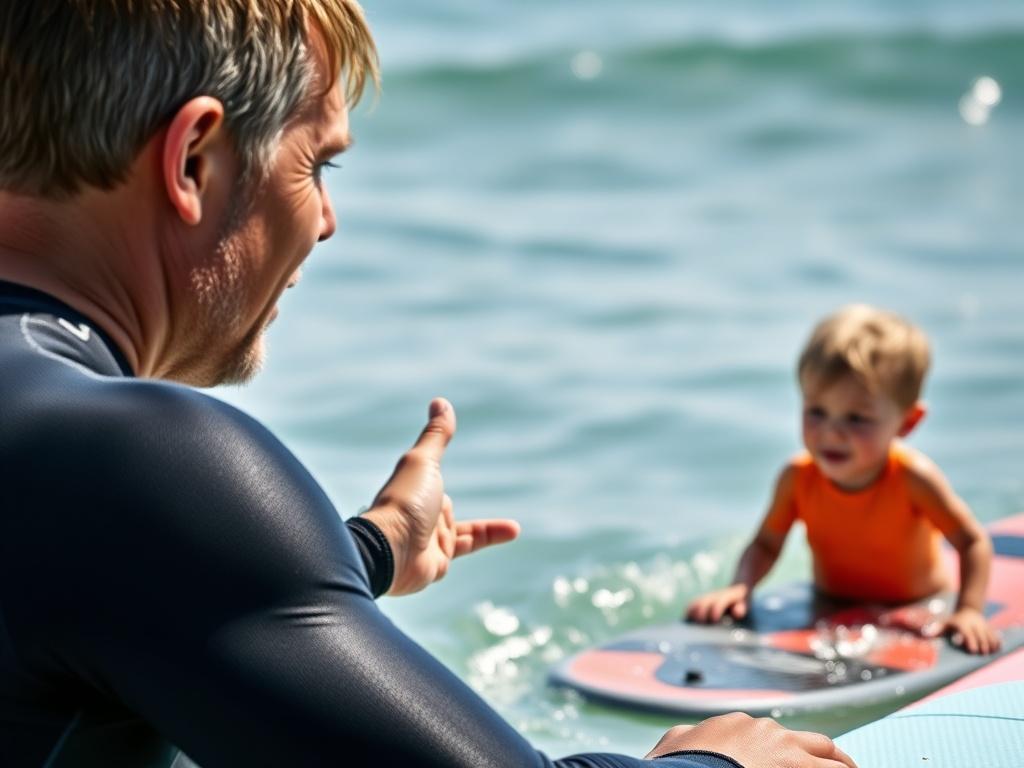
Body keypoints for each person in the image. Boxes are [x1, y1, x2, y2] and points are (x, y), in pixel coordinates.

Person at [0, 2, 858, 767]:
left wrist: (359, 551)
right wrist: (718, 765)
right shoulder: (134, 464)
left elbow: (87, 583)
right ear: (192, 160)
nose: (327, 222)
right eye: (317, 168)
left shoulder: (75, 480)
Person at [687, 305, 1000, 655]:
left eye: (857, 418)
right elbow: (766, 544)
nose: (832, 432)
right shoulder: (797, 478)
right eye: (816, 411)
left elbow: (972, 541)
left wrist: (970, 610)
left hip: (921, 606)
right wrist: (740, 587)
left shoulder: (913, 478)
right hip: (831, 604)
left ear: (907, 423)